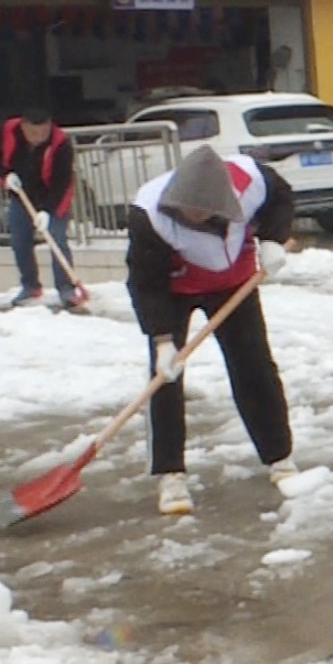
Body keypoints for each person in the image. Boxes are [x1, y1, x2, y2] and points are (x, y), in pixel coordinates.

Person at [127, 146, 296, 516]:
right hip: (173, 288)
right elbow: (145, 282)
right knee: (166, 377)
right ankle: (170, 474)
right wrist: (162, 340)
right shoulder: (149, 213)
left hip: (233, 283)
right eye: (188, 209)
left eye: (203, 210)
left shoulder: (252, 181)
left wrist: (273, 239)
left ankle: (279, 457)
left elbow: (281, 199)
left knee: (254, 365)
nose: (195, 216)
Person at [0, 107, 81, 310]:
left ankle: (66, 288)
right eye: (34, 133)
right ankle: (30, 286)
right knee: (20, 241)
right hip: (22, 194)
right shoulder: (8, 130)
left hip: (53, 197)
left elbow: (61, 182)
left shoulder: (60, 143)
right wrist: (5, 174)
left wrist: (47, 210)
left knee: (57, 239)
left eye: (44, 132)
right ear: (24, 126)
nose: (39, 138)